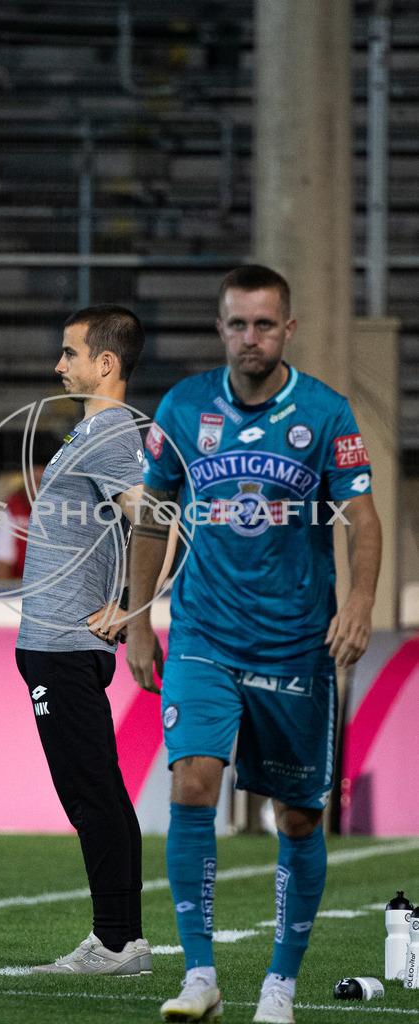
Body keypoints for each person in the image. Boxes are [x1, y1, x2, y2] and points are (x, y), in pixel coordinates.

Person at [126, 266, 382, 1022]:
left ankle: (280, 985)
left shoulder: (327, 414)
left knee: (297, 818)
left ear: (288, 330)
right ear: (220, 328)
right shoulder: (184, 406)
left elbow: (363, 521)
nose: (250, 338)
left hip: (297, 642)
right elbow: (151, 513)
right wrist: (140, 616)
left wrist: (361, 602)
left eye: (264, 325)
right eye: (237, 324)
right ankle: (199, 977)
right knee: (193, 783)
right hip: (204, 631)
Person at [15, 304, 151, 975]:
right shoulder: (95, 432)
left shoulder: (107, 433)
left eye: (70, 353)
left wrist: (131, 604)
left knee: (90, 793)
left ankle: (117, 942)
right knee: (100, 790)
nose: (58, 366)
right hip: (62, 642)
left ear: (106, 363)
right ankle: (122, 939)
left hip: (66, 644)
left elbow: (155, 517)